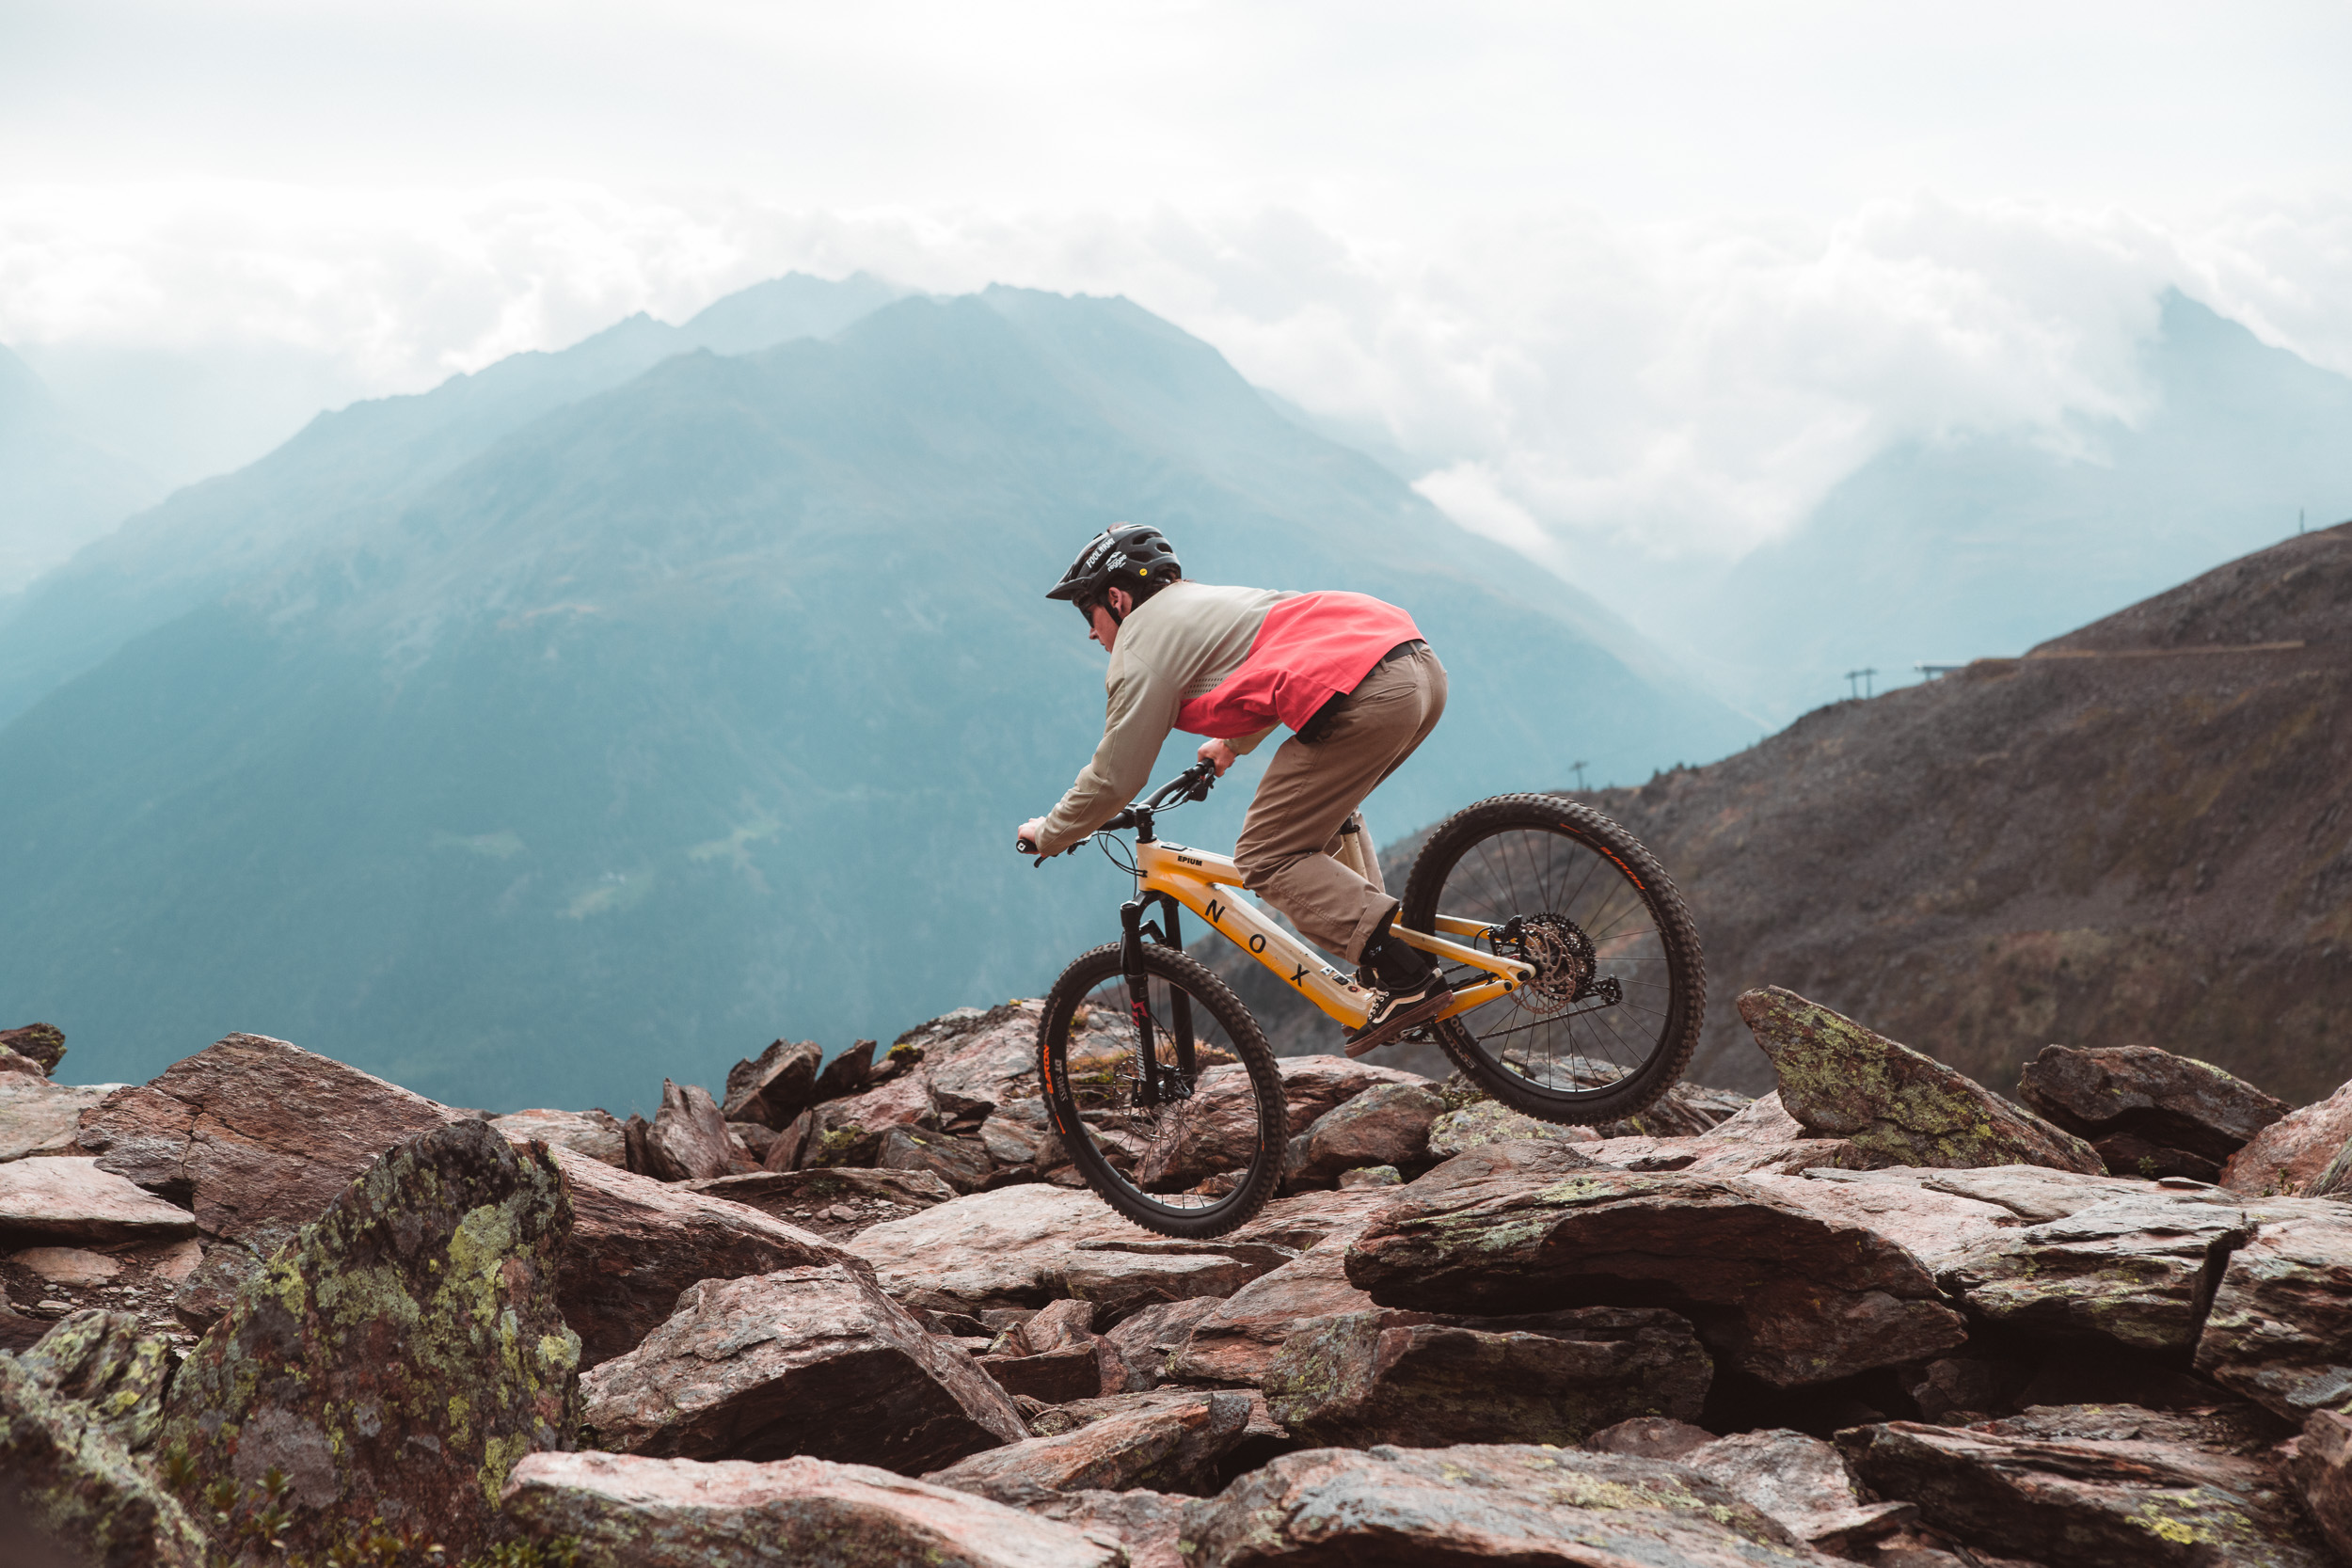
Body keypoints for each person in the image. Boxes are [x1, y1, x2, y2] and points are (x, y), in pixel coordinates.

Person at [1016, 524, 1451, 1053]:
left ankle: (1404, 976)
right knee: (1325, 812)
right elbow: (1278, 661)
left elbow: (1116, 776)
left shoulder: (1141, 643)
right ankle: (1386, 966)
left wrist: (1051, 831)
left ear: (1117, 598)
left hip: (1366, 691)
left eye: (1088, 614)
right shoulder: (1200, 604)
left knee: (1266, 855)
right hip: (1414, 667)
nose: (1091, 633)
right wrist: (1229, 744)